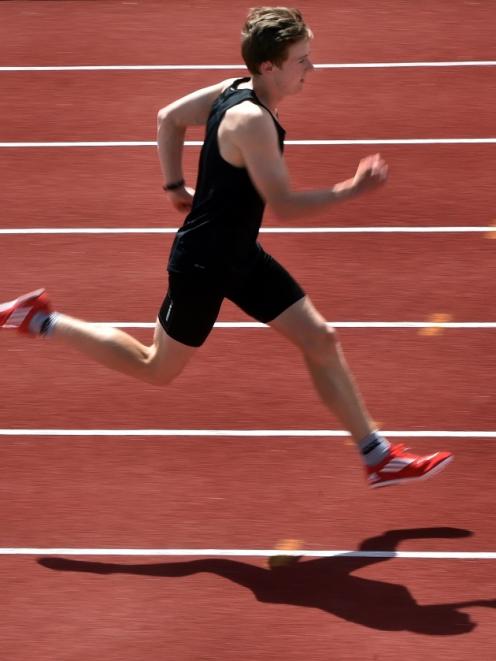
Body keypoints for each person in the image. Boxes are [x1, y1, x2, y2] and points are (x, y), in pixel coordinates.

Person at [0, 7, 452, 487]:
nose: (312, 69)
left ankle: (376, 456)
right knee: (155, 367)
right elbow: (285, 205)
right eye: (303, 60)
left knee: (320, 339)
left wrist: (174, 186)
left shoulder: (234, 86)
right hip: (203, 263)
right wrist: (352, 189)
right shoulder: (250, 120)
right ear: (269, 67)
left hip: (239, 253)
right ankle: (42, 319)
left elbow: (169, 118)